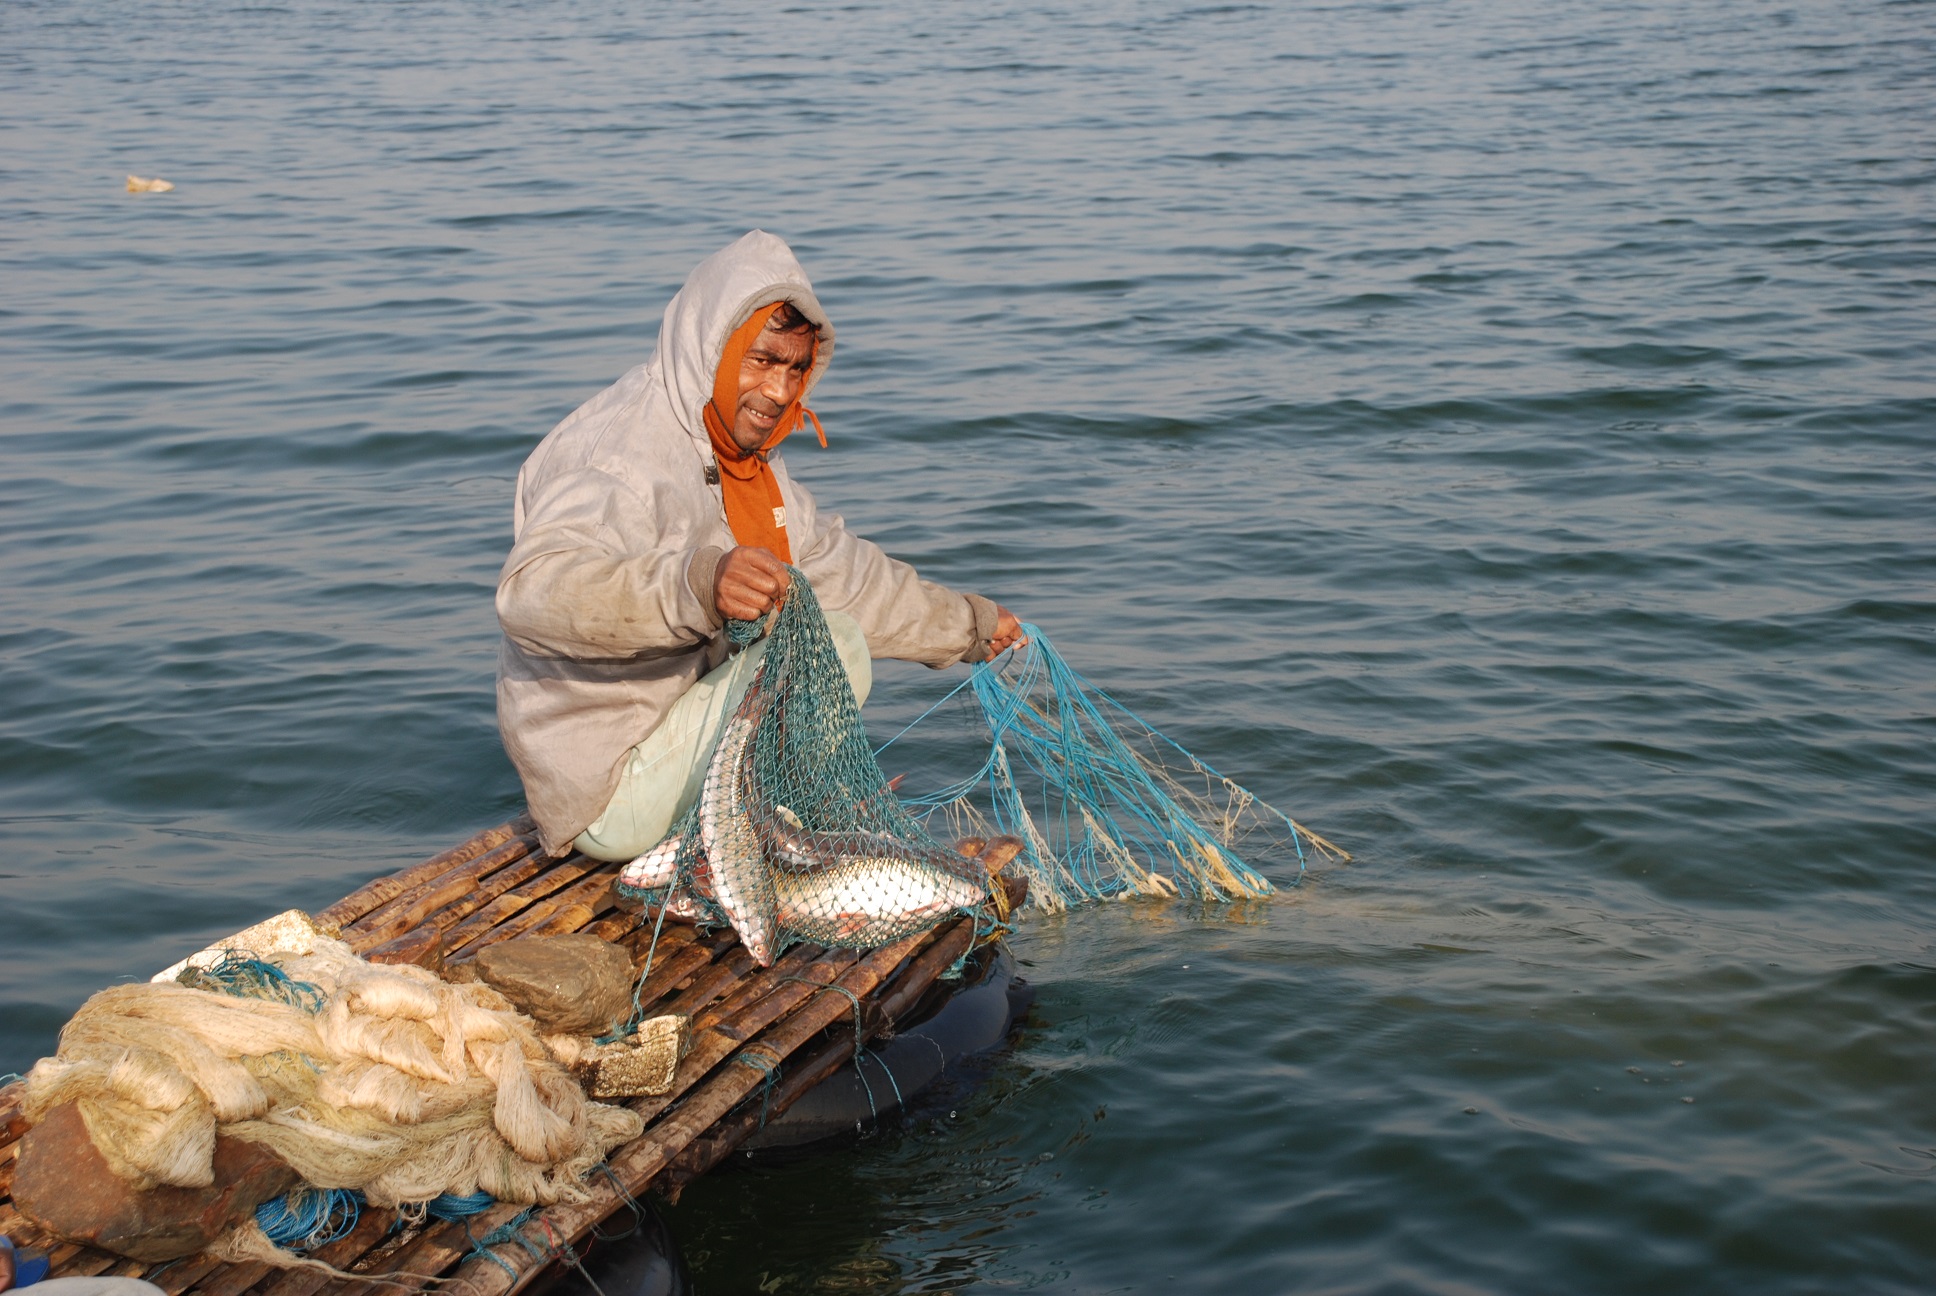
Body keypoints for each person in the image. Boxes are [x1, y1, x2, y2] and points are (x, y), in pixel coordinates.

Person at [496, 231, 1023, 861]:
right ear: (712, 350)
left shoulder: (737, 463)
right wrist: (698, 585)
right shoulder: (617, 459)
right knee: (832, 647)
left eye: (796, 368)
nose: (780, 392)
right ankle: (747, 844)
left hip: (672, 749)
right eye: (763, 360)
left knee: (815, 621)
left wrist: (968, 627)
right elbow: (532, 594)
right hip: (607, 789)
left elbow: (838, 573)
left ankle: (759, 827)